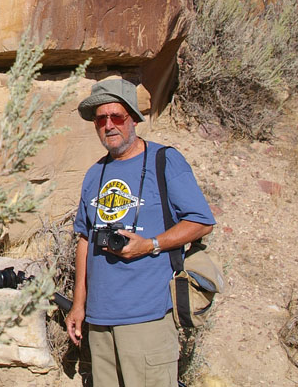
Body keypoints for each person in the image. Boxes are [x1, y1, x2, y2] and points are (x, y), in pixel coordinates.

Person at [65, 78, 216, 387]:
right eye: (100, 119)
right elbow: (84, 238)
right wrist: (79, 305)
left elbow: (201, 221)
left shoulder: (165, 161)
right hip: (99, 320)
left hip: (147, 316)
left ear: (132, 117)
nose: (108, 125)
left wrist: (151, 245)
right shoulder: (95, 173)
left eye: (116, 116)